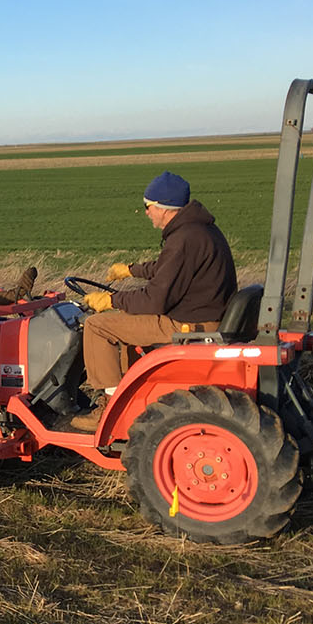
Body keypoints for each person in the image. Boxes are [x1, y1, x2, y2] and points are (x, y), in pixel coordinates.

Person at [71, 172, 238, 432]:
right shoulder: (198, 229)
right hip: (203, 315)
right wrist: (131, 270)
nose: (146, 212)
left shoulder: (183, 239)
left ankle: (110, 407)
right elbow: (167, 268)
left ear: (164, 208)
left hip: (190, 324)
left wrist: (111, 300)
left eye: (148, 207)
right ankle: (133, 398)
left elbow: (154, 301)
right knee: (125, 322)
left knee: (97, 326)